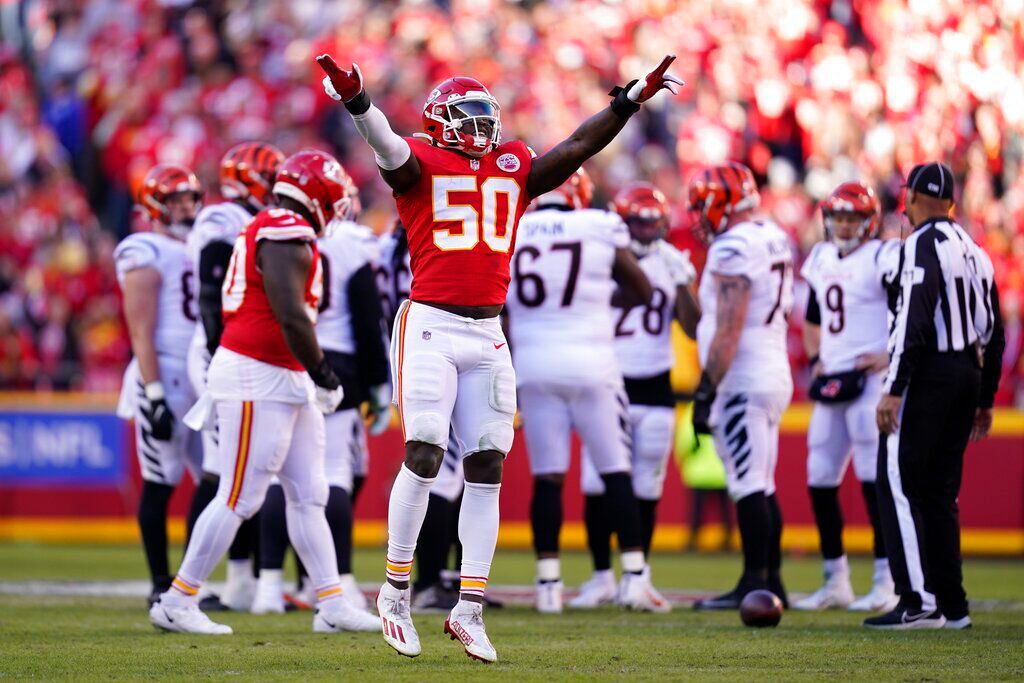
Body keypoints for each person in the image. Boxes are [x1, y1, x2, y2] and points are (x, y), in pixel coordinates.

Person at [317, 51, 681, 662]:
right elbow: (384, 143)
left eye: (486, 115)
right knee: (426, 450)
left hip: (488, 334)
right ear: (440, 120)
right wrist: (358, 101)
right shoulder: (418, 162)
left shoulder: (512, 165)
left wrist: (628, 100)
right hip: (430, 322)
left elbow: (575, 147)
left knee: (487, 466)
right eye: (468, 115)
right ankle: (396, 590)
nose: (482, 127)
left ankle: (469, 608)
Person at [148, 150, 380, 636]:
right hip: (258, 372)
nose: (336, 209)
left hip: (283, 371)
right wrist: (324, 371)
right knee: (239, 495)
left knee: (309, 494)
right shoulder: (280, 226)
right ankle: (178, 599)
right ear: (314, 194)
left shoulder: (276, 224)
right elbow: (290, 315)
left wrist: (310, 371)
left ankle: (331, 601)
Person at [505, 169, 660, 615]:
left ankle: (548, 585)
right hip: (591, 360)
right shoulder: (597, 225)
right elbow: (642, 289)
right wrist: (597, 304)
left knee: (547, 476)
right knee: (615, 469)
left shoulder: (515, 227)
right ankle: (633, 577)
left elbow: (501, 304)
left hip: (533, 362)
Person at [866, 162, 1005, 630]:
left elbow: (915, 322)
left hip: (932, 375)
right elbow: (996, 333)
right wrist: (985, 399)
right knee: (941, 494)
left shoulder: (920, 245)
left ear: (916, 197)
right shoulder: (973, 248)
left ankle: (918, 600)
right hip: (967, 371)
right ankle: (954, 607)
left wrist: (893, 389)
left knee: (905, 483)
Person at [251, 164, 390, 615]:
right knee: (331, 476)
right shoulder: (350, 243)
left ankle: (269, 584)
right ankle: (339, 583)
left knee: (278, 474)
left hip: (287, 356)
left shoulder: (272, 230)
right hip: (339, 363)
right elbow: (368, 319)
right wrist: (378, 382)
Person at [573, 182, 699, 609]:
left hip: (656, 384)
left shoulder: (672, 262)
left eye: (652, 222)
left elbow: (694, 326)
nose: (646, 231)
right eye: (637, 222)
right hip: (609, 380)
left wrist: (682, 283)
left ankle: (636, 576)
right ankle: (601, 576)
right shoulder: (602, 258)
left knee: (647, 484)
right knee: (596, 481)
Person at [687, 162, 794, 610]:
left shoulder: (733, 247)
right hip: (771, 368)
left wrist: (707, 387)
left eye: (702, 207)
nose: (698, 216)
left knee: (749, 483)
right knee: (762, 483)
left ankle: (754, 583)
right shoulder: (771, 234)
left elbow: (729, 327)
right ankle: (772, 581)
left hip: (744, 376)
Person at [185, 141, 285, 612]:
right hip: (220, 347)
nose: (278, 185)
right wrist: (216, 344)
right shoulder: (223, 219)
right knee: (219, 470)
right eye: (270, 176)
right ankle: (192, 586)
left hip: (239, 346)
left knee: (243, 469)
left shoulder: (251, 219)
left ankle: (240, 580)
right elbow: (210, 287)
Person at [794, 181, 900, 612]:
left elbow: (908, 306)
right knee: (819, 476)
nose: (843, 224)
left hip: (869, 379)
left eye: (852, 217)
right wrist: (818, 353)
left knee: (874, 479)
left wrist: (889, 353)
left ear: (868, 221)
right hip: (832, 377)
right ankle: (835, 578)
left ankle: (886, 579)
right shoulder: (820, 257)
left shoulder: (882, 256)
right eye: (837, 216)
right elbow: (815, 314)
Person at [114, 163, 204, 607]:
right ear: (154, 206)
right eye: (175, 200)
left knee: (218, 477)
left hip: (199, 373)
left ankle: (186, 581)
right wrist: (152, 393)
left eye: (189, 197)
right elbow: (140, 331)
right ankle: (158, 581)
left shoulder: (201, 242)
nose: (185, 206)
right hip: (164, 372)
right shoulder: (143, 248)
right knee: (161, 480)